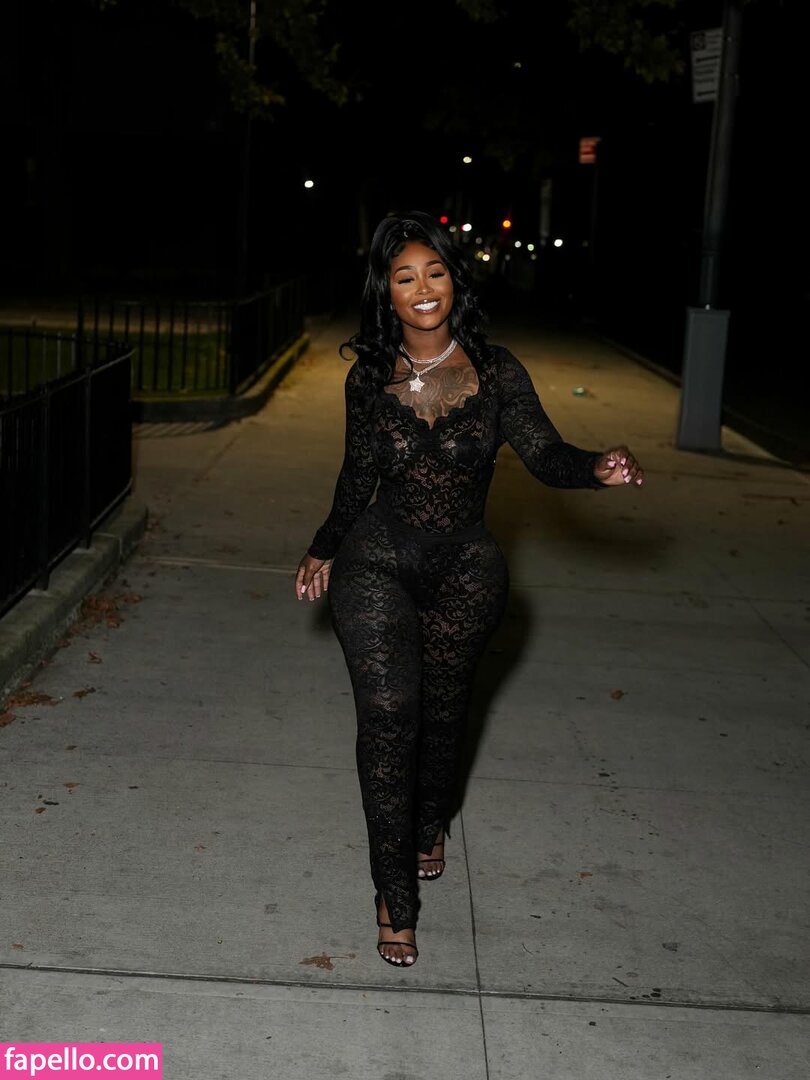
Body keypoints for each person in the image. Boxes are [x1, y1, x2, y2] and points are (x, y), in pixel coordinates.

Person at [295, 209, 644, 968]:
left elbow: (545, 454)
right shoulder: (368, 377)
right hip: (376, 561)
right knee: (389, 716)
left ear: (454, 280)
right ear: (385, 291)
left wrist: (595, 468)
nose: (423, 288)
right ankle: (395, 896)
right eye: (404, 276)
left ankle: (430, 822)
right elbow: (357, 476)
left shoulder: (497, 371)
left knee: (444, 717)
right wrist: (324, 546)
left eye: (435, 271)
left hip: (465, 572)